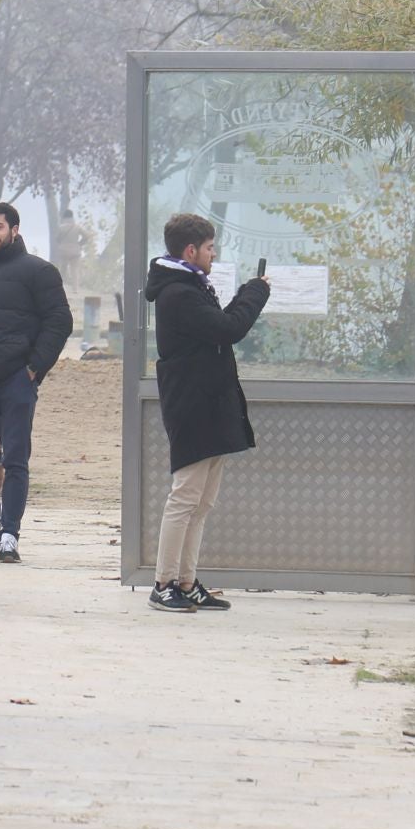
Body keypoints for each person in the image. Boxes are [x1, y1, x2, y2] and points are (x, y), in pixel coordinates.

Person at [144, 212, 270, 614]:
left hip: (210, 404)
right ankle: (164, 583)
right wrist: (255, 293)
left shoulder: (191, 285)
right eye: (211, 248)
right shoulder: (178, 293)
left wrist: (249, 294)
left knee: (202, 503)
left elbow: (220, 327)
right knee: (184, 499)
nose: (214, 255)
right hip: (192, 406)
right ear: (191, 250)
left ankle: (186, 580)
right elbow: (227, 328)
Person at [0, 203, 73, 564]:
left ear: (15, 229)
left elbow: (59, 321)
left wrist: (34, 368)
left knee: (15, 457)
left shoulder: (39, 271)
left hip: (17, 380)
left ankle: (10, 533)